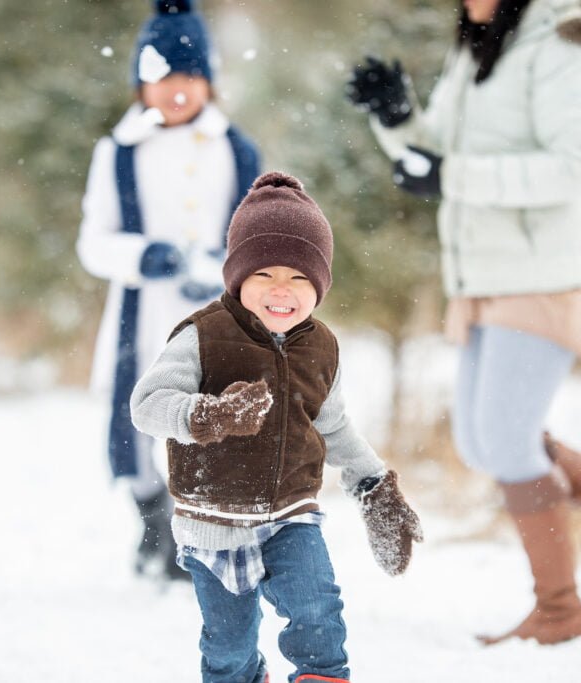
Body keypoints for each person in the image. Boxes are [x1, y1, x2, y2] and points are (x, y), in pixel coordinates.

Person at [347, 0, 581, 645]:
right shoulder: (479, 45)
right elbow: (438, 158)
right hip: (489, 278)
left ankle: (561, 609)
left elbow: (574, 165)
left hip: (548, 274)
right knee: (487, 444)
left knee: (506, 440)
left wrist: (454, 175)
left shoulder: (566, 45)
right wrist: (394, 118)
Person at [130, 171, 423, 683]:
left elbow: (333, 427)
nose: (281, 290)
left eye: (299, 277)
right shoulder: (202, 336)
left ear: (321, 285)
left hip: (293, 514)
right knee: (228, 646)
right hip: (211, 522)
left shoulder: (322, 347)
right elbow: (147, 404)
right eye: (264, 274)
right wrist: (204, 416)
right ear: (238, 276)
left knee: (319, 616)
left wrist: (375, 485)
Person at [76, 0, 260, 581]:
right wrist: (141, 255)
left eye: (190, 76)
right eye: (162, 77)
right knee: (138, 415)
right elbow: (93, 241)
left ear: (208, 81)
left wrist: (226, 265)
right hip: (144, 310)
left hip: (213, 314)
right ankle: (152, 519)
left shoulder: (236, 149)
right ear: (141, 83)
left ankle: (198, 530)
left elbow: (257, 231)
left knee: (209, 418)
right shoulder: (119, 153)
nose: (177, 90)